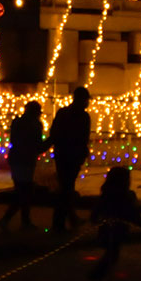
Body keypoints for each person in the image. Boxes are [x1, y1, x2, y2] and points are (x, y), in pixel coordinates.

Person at [89, 165, 141, 281]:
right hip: (117, 229)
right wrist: (140, 222)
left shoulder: (106, 193)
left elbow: (98, 208)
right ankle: (96, 276)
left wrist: (94, 218)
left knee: (112, 253)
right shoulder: (125, 196)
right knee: (112, 254)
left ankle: (98, 276)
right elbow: (131, 211)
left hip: (107, 228)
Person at [47, 85, 91, 231]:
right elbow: (83, 138)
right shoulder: (83, 116)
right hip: (72, 155)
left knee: (66, 187)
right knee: (66, 189)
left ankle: (69, 219)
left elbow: (54, 133)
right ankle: (60, 223)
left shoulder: (62, 113)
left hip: (62, 154)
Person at [0, 101, 45, 230]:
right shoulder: (34, 125)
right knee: (24, 192)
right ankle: (10, 220)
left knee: (22, 190)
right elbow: (37, 145)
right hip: (26, 160)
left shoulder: (17, 122)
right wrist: (51, 141)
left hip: (16, 158)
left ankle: (23, 221)